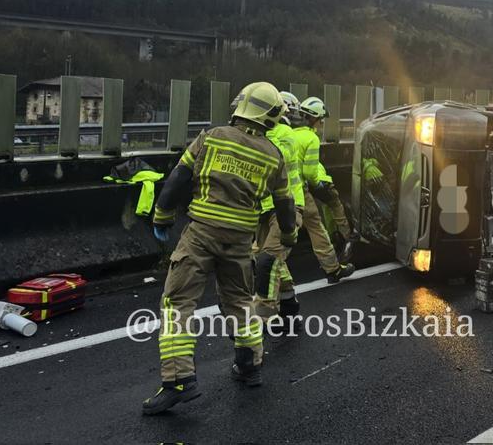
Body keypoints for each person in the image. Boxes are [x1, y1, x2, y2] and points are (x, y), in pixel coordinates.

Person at [142, 82, 298, 415]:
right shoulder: (274, 156)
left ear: (241, 106)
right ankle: (249, 367)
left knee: (178, 303)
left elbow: (178, 178)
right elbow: (285, 204)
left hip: (201, 234)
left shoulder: (211, 137)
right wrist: (288, 236)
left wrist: (162, 216)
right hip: (241, 239)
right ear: (272, 117)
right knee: (241, 302)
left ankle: (178, 382)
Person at [253, 93, 306, 330]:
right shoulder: (261, 135)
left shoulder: (285, 135)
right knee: (268, 258)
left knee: (268, 261)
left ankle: (261, 318)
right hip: (265, 208)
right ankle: (289, 306)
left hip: (288, 208)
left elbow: (276, 159)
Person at [289, 96, 355, 284]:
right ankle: (334, 265)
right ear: (315, 118)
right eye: (320, 120)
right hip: (301, 190)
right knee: (317, 228)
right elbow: (310, 171)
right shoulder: (311, 138)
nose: (321, 123)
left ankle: (254, 263)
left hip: (283, 190)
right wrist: (317, 185)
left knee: (275, 231)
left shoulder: (290, 135)